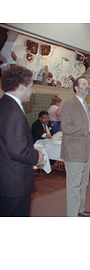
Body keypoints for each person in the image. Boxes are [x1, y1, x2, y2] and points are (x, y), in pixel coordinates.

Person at [0, 66, 44, 216]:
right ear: (20, 87)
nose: (33, 91)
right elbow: (17, 151)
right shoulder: (14, 112)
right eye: (31, 86)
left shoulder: (3, 105)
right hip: (14, 182)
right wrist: (37, 156)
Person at [60, 76, 90, 217]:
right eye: (84, 84)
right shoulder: (69, 104)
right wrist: (87, 129)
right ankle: (72, 216)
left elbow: (86, 127)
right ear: (76, 88)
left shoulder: (85, 106)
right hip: (74, 151)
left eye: (88, 83)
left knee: (84, 183)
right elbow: (65, 127)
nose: (88, 85)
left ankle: (80, 209)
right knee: (74, 185)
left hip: (87, 150)